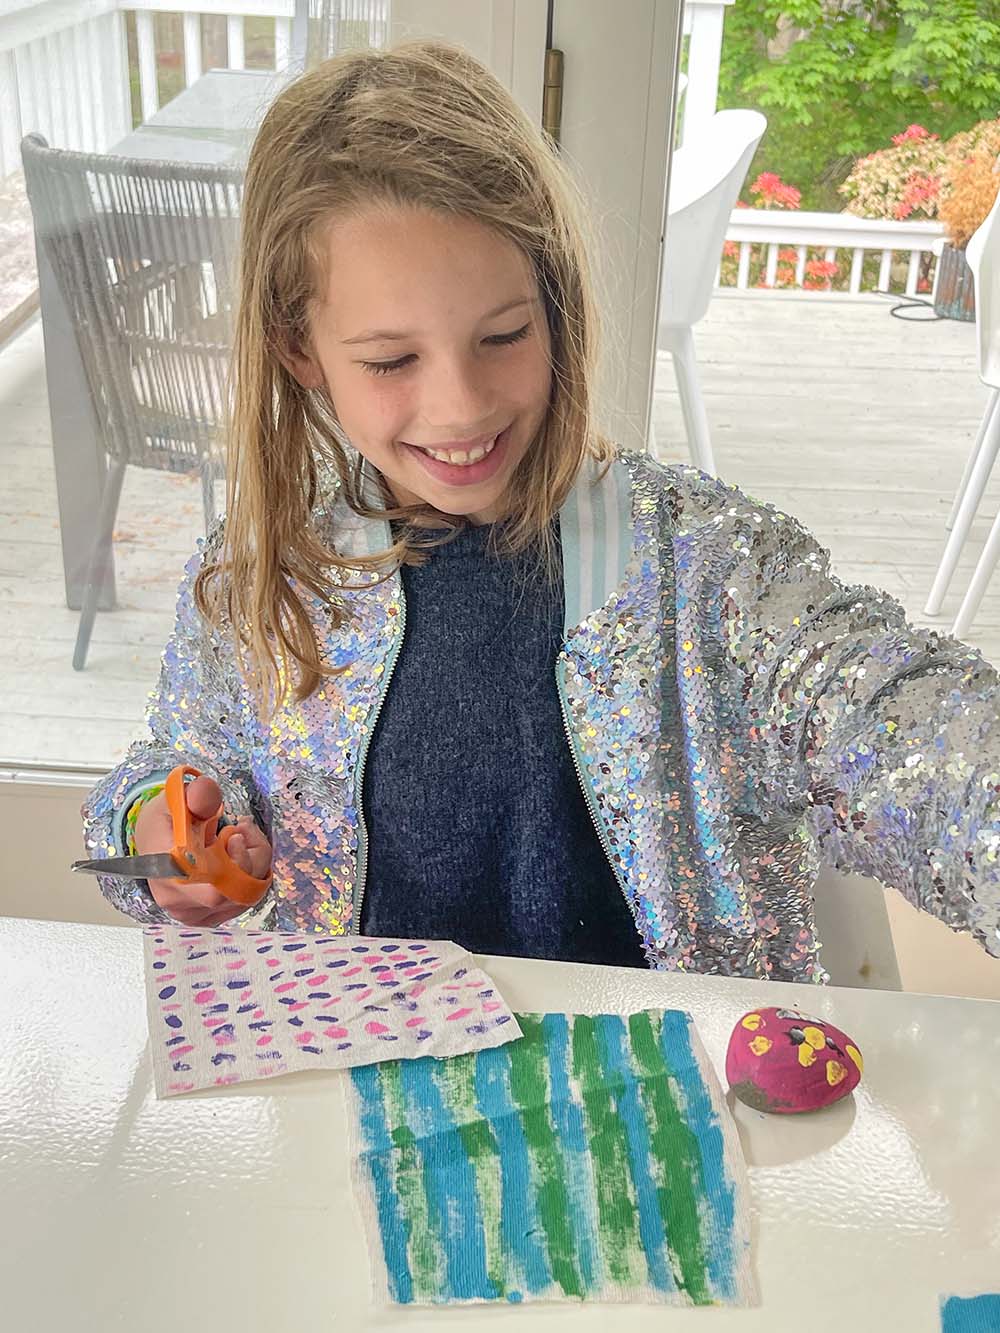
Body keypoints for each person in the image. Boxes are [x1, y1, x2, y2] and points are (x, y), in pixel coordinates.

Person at [81, 38, 1000, 982]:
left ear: (555, 305)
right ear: (299, 347)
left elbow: (903, 722)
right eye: (392, 360)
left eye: (504, 335)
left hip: (653, 1099)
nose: (462, 406)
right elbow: (170, 769)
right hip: (359, 1098)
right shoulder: (260, 578)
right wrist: (163, 825)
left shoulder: (709, 574)